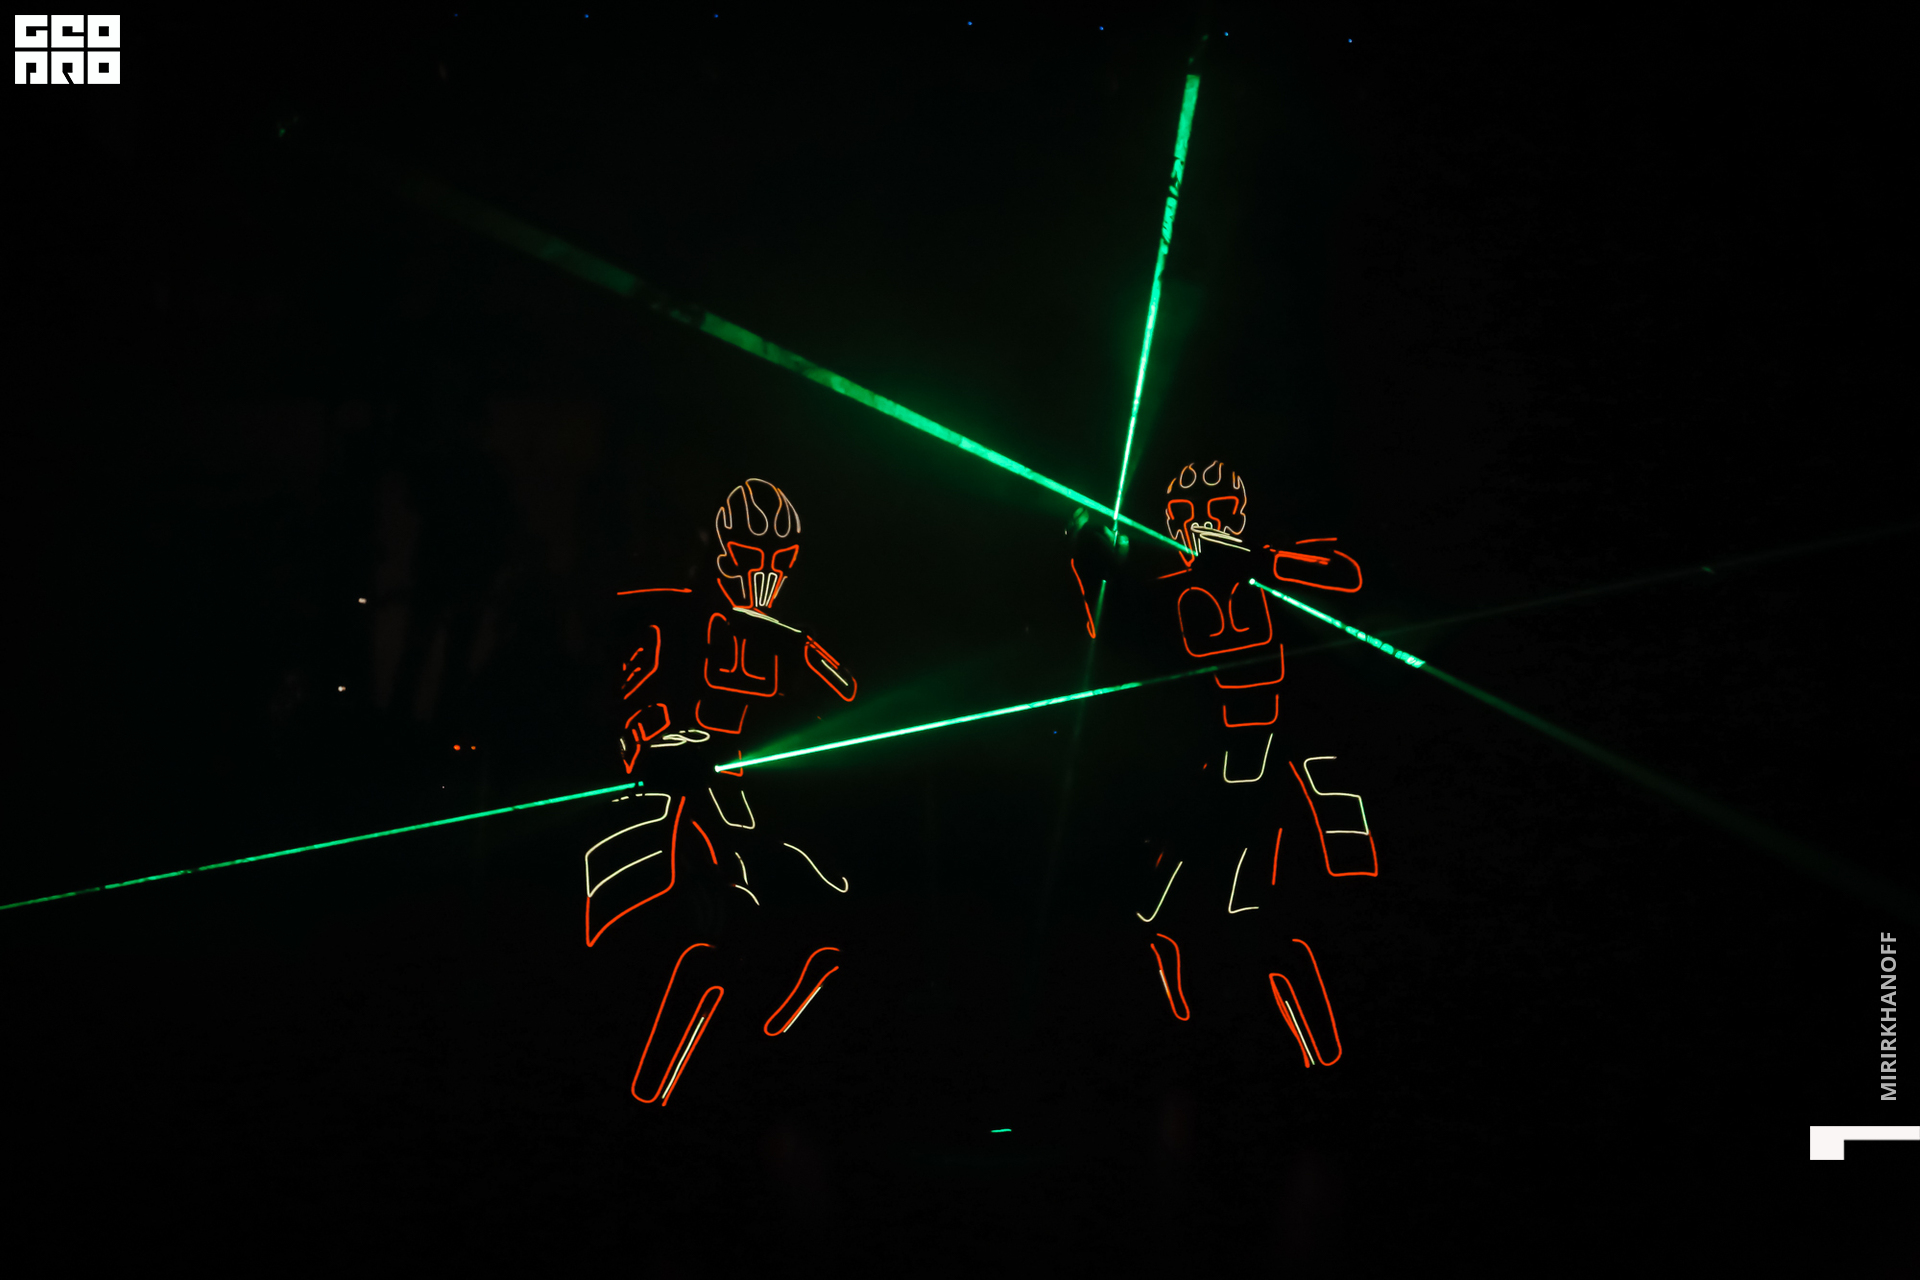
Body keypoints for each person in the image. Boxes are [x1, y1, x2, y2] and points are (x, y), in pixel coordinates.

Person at [1065, 461, 1376, 1067]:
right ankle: (1198, 1036)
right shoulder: (1175, 593)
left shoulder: (1262, 572)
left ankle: (1318, 1056)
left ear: (1238, 516)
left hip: (1275, 764)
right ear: (1172, 523)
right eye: (1189, 515)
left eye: (1220, 512)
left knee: (1264, 917)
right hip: (1220, 770)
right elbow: (1109, 633)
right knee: (1159, 910)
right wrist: (1093, 566)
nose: (1204, 526)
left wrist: (1259, 559)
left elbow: (1344, 574)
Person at [587, 477, 860, 1103]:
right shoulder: (674, 615)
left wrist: (809, 663)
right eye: (747, 556)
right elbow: (634, 691)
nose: (763, 575)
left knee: (800, 887)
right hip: (677, 790)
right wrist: (649, 738)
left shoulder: (779, 636)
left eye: (779, 560)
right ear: (721, 551)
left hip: (733, 789)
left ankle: (767, 986)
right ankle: (666, 1042)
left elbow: (843, 688)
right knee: (717, 897)